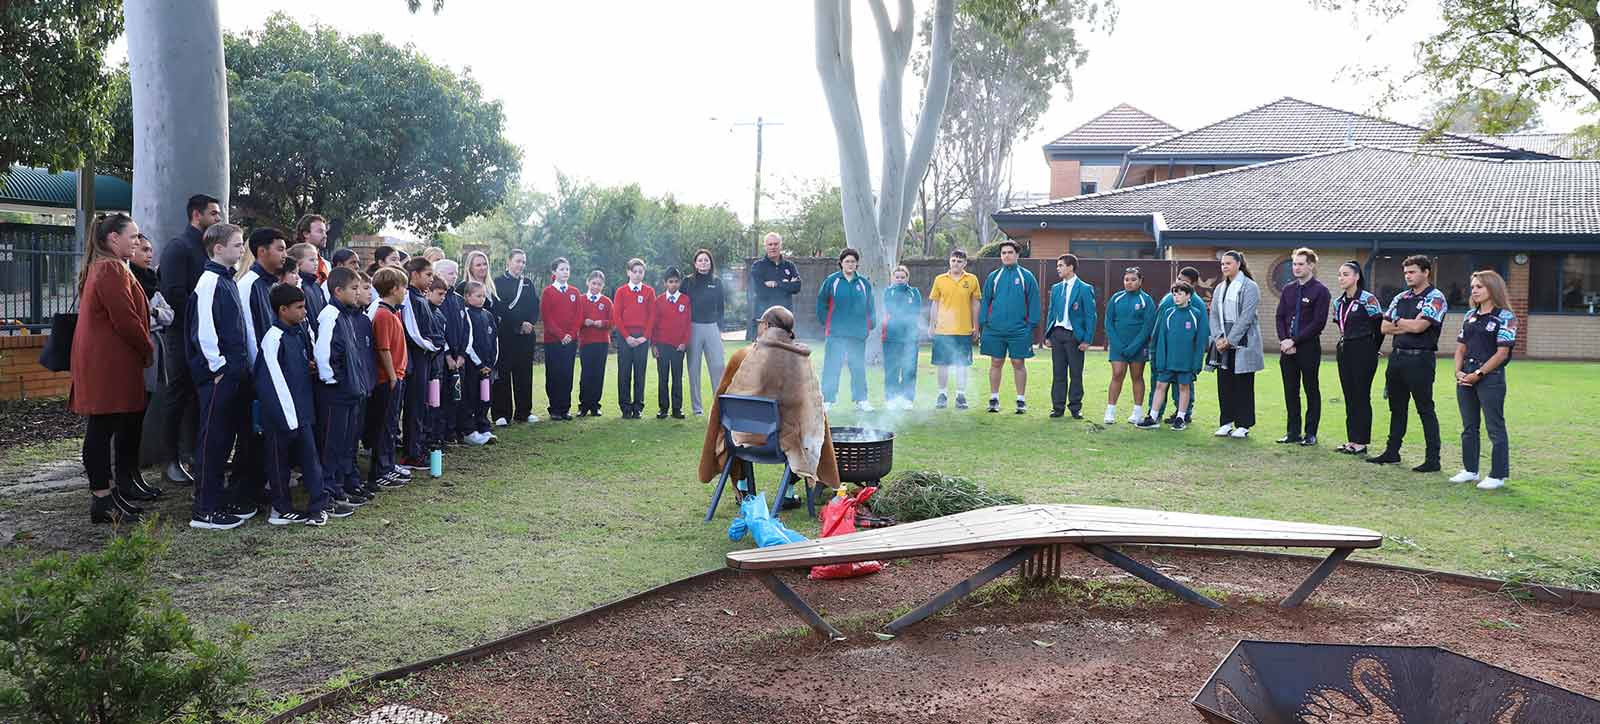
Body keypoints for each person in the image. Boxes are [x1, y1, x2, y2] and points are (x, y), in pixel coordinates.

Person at [697, 305, 842, 506]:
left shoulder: (742, 356)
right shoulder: (801, 361)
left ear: (766, 326)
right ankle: (789, 492)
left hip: (741, 441)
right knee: (802, 431)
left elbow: (721, 400)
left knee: (737, 421)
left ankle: (744, 487)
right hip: (780, 444)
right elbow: (813, 413)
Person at [71, 214, 155, 524]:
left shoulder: (108, 266)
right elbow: (126, 320)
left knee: (104, 428)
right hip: (107, 362)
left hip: (107, 360)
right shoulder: (110, 269)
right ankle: (102, 499)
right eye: (132, 236)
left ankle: (109, 495)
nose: (137, 241)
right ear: (112, 239)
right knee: (101, 429)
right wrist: (147, 349)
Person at [256, 283, 345, 525]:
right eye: (299, 307)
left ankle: (319, 505)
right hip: (280, 416)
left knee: (311, 460)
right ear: (282, 310)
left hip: (304, 412)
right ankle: (280, 508)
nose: (305, 311)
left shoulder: (301, 331)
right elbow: (271, 380)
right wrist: (288, 417)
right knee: (279, 463)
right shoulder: (273, 338)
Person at [185, 222, 250, 530]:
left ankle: (216, 499)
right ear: (218, 248)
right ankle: (205, 508)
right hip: (218, 377)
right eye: (237, 245)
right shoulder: (210, 281)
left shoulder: (227, 280)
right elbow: (205, 331)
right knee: (212, 441)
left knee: (224, 441)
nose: (241, 249)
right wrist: (218, 369)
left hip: (233, 374)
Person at [157, 193, 221, 486]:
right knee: (178, 395)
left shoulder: (209, 250)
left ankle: (197, 454)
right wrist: (200, 320)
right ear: (197, 215)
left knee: (200, 396)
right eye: (214, 213)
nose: (218, 218)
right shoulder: (179, 247)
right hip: (182, 336)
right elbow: (174, 293)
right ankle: (171, 460)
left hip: (204, 338)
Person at [1367, 255, 1448, 472]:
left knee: (1425, 408)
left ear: (1425, 272)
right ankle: (1392, 452)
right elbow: (1384, 328)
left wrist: (1399, 322)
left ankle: (1433, 459)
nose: (1408, 276)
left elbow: (1420, 327)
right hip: (1397, 358)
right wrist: (1406, 323)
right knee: (1397, 408)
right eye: (1406, 272)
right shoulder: (1401, 297)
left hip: (1420, 359)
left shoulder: (1436, 297)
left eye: (1412, 272)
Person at [315, 267, 376, 506]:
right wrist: (335, 381)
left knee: (346, 441)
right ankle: (329, 488)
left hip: (351, 391)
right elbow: (325, 353)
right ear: (338, 290)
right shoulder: (331, 314)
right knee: (332, 442)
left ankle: (341, 484)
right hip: (336, 393)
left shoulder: (350, 315)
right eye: (353, 288)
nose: (357, 292)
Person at [1451, 270, 1517, 490]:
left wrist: (1478, 374)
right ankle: (1470, 470)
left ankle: (1498, 475)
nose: (1475, 290)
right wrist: (1458, 372)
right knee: (1469, 426)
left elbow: (1501, 354)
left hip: (1490, 377)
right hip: (1466, 375)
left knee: (1494, 427)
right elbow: (1460, 348)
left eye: (1480, 286)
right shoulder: (1470, 315)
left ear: (1492, 288)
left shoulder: (1505, 316)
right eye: (1473, 287)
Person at [1275, 247, 1332, 446]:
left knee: (1311, 390)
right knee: (1291, 391)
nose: (1296, 268)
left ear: (1311, 265)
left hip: (1308, 348)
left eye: (1301, 264)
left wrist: (1295, 341)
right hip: (1287, 349)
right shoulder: (1288, 289)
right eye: (1294, 264)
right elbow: (1280, 316)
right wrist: (1284, 340)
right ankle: (1292, 432)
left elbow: (1318, 323)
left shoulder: (1321, 291)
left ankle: (1310, 434)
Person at [979, 241, 1040, 414]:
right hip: (994, 330)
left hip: (1019, 330)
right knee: (996, 362)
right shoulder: (994, 276)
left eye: (1010, 252)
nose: (1006, 255)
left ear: (1017, 255)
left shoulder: (1026, 276)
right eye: (1003, 253)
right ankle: (994, 398)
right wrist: (984, 323)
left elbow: (1034, 302)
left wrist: (1030, 325)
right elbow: (986, 301)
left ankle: (1021, 400)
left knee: (1018, 362)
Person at [1138, 281, 1208, 431]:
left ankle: (1180, 418)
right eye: (1174, 293)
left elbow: (1200, 341)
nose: (1176, 297)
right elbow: (1161, 339)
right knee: (1160, 386)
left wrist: (1197, 363)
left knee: (1184, 387)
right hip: (1168, 361)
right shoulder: (1168, 313)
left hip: (1186, 362)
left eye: (1180, 294)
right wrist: (1160, 360)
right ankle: (1153, 417)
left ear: (1188, 296)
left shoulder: (1195, 314)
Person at [1210, 250, 1264, 439]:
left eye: (1228, 263)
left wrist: (1230, 340)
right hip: (1222, 343)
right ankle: (1226, 422)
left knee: (1243, 384)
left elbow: (1246, 317)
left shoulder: (1250, 287)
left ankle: (1243, 424)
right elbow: (1214, 315)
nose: (1224, 267)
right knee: (1224, 384)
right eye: (1222, 264)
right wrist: (1218, 338)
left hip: (1243, 343)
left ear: (1238, 264)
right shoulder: (1219, 288)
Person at [366, 267, 411, 491]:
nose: (406, 291)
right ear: (393, 289)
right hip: (387, 379)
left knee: (392, 424)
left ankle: (388, 463)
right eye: (403, 287)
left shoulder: (393, 312)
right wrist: (392, 376)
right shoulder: (383, 314)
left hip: (397, 376)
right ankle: (379, 470)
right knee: (383, 426)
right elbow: (382, 348)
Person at [815, 248, 876, 412]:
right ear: (841, 263)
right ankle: (828, 400)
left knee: (858, 367)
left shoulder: (863, 283)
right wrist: (827, 322)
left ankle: (861, 400)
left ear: (857, 264)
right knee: (832, 366)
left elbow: (870, 307)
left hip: (857, 334)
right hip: (836, 333)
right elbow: (821, 303)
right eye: (847, 261)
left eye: (853, 261)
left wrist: (870, 325)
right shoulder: (832, 281)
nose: (850, 264)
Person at [1332, 261, 1384, 455]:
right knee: (1349, 395)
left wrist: (1373, 349)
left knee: (1361, 395)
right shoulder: (1339, 302)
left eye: (1345, 274)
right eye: (1339, 274)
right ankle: (1351, 439)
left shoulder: (1368, 299)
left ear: (1356, 277)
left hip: (1364, 349)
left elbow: (1379, 328)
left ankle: (1361, 442)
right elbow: (1341, 326)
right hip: (1345, 348)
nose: (1341, 278)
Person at [399, 257, 442, 467]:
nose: (431, 279)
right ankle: (411, 453)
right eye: (428, 275)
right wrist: (433, 346)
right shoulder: (409, 297)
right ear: (414, 274)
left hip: (425, 358)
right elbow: (414, 332)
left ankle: (419, 446)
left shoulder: (421, 298)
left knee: (423, 405)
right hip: (415, 359)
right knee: (414, 406)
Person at [1041, 254, 1095, 419]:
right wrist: (1048, 335)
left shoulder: (1085, 288)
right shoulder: (1056, 288)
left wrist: (1087, 339)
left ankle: (1075, 407)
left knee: (1076, 373)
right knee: (1058, 373)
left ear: (1071, 267)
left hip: (1074, 336)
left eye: (1061, 265)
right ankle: (1057, 408)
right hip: (1057, 333)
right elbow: (1051, 312)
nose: (1058, 268)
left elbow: (1091, 316)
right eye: (1057, 266)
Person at [491, 249, 539, 425]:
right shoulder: (497, 282)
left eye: (523, 262)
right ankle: (501, 414)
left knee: (524, 374)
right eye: (518, 261)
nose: (521, 265)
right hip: (506, 335)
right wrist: (519, 324)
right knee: (503, 375)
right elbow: (500, 308)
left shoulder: (528, 283)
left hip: (525, 337)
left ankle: (524, 412)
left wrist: (530, 323)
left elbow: (535, 306)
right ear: (509, 261)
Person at [928, 249, 981, 410]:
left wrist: (976, 326)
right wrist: (932, 324)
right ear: (949, 262)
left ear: (965, 263)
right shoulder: (940, 279)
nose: (956, 263)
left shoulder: (972, 280)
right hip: (943, 330)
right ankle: (942, 394)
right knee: (942, 364)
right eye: (953, 260)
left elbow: (975, 303)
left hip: (963, 330)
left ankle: (960, 395)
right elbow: (935, 303)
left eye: (959, 261)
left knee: (962, 364)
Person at [1103, 265, 1153, 424]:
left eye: (1133, 280)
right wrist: (1117, 343)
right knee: (1117, 374)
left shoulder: (1146, 300)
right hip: (1118, 347)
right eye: (1126, 280)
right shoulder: (1116, 298)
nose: (1129, 283)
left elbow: (1148, 326)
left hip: (1138, 347)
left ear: (1140, 281)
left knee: (1137, 376)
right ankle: (1110, 411)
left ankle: (1137, 412)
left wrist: (1134, 346)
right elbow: (1108, 322)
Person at [683, 249, 726, 416]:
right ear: (695, 263)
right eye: (700, 260)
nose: (703, 263)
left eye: (706, 260)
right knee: (694, 369)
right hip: (693, 327)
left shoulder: (717, 282)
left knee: (718, 366)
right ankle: (697, 408)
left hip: (712, 327)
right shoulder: (687, 282)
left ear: (710, 263)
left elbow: (721, 307)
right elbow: (681, 307)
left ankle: (718, 406)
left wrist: (720, 328)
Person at [612, 258, 656, 419]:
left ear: (644, 273)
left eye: (640, 272)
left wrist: (645, 337)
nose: (637, 275)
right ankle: (625, 407)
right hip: (625, 338)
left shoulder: (649, 291)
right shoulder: (621, 291)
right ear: (628, 272)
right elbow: (617, 316)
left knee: (640, 373)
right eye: (634, 271)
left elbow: (652, 316)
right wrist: (627, 336)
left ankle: (638, 407)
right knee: (624, 373)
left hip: (642, 339)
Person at [540, 257, 581, 421]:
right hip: (553, 341)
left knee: (567, 374)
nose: (565, 272)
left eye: (567, 269)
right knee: (554, 374)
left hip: (570, 341)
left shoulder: (575, 292)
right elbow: (547, 317)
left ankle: (565, 408)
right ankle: (555, 408)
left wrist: (570, 334)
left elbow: (578, 316)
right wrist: (560, 335)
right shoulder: (548, 292)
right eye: (562, 269)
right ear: (554, 272)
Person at [434, 259, 470, 444]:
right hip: (443, 358)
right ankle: (441, 434)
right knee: (442, 397)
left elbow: (466, 328)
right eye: (450, 273)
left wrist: (462, 354)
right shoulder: (437, 299)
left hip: (459, 358)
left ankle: (454, 430)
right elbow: (439, 330)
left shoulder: (458, 299)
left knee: (457, 395)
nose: (454, 276)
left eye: (456, 273)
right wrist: (447, 354)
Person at [651, 266, 692, 419]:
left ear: (680, 282)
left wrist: (684, 342)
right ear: (665, 283)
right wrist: (653, 345)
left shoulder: (685, 300)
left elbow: (688, 325)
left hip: (678, 346)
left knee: (677, 377)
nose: (673, 284)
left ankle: (677, 408)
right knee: (663, 378)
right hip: (662, 345)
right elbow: (654, 325)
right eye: (670, 282)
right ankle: (663, 408)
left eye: (676, 281)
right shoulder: (659, 301)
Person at [462, 280, 499, 445]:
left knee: (485, 398)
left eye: (484, 295)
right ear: (468, 296)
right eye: (478, 295)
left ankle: (484, 427)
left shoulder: (488, 315)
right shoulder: (466, 314)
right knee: (471, 397)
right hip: (473, 367)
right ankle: (470, 430)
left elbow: (494, 340)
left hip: (487, 368)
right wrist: (479, 365)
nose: (482, 298)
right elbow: (467, 344)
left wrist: (491, 364)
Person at [881, 265, 923, 410]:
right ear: (893, 278)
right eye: (897, 277)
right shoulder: (888, 292)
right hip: (891, 337)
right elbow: (890, 309)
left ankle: (907, 399)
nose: (899, 280)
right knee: (892, 368)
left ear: (907, 278)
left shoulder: (914, 292)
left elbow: (916, 310)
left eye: (902, 277)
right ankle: (891, 398)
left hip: (910, 337)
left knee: (909, 369)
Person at [747, 232, 802, 340]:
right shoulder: (758, 266)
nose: (773, 247)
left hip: (785, 320)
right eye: (770, 244)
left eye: (776, 244)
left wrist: (776, 283)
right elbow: (761, 291)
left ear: (780, 246)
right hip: (764, 320)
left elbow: (797, 287)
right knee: (762, 355)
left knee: (785, 353)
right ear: (765, 246)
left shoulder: (789, 266)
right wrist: (786, 285)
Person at [576, 270, 615, 418]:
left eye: (599, 284)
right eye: (593, 283)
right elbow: (575, 320)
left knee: (598, 374)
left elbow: (613, 322)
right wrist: (583, 321)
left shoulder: (606, 302)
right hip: (586, 342)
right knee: (586, 374)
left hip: (602, 342)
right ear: (588, 282)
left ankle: (595, 405)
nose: (596, 287)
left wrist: (602, 323)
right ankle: (583, 406)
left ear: (602, 286)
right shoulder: (580, 299)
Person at [288, 243, 327, 332]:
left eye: (317, 259)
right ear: (298, 263)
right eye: (311, 260)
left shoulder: (317, 286)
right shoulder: (298, 286)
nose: (316, 263)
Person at [294, 213, 330, 283]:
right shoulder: (291, 261)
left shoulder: (327, 264)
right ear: (306, 234)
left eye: (325, 232)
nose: (325, 236)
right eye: (320, 231)